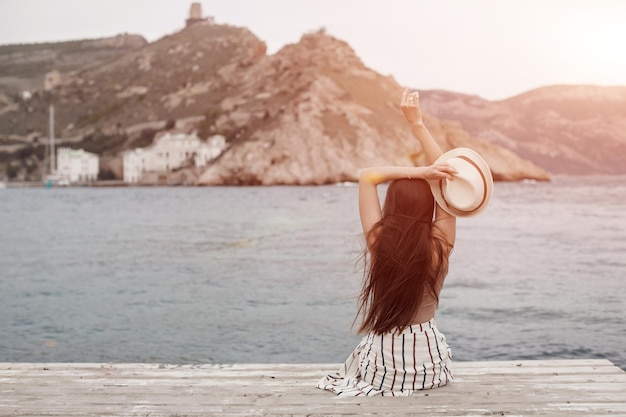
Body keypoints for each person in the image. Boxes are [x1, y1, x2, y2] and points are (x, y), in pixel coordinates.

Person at [317, 88, 491, 396]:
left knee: (359, 358)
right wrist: (419, 127)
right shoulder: (440, 243)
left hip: (384, 371)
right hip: (430, 369)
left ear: (391, 205)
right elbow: (446, 182)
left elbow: (368, 176)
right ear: (433, 204)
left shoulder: (379, 240)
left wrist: (417, 172)